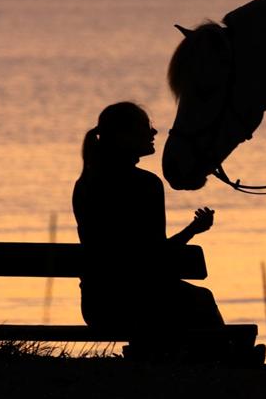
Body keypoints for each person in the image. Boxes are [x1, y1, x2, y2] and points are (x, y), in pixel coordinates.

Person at [72, 101, 232, 350]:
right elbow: (156, 254)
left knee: (186, 300)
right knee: (200, 299)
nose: (154, 133)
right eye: (145, 127)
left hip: (98, 305)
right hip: (140, 302)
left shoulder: (85, 183)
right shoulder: (146, 185)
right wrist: (192, 231)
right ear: (124, 136)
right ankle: (226, 357)